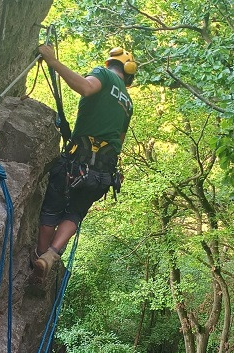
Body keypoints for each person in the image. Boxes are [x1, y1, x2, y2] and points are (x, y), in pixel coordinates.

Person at [31, 44, 136, 282]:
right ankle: (50, 257)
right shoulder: (128, 103)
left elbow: (86, 88)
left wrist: (53, 61)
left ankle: (39, 256)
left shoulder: (104, 74)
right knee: (75, 213)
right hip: (102, 173)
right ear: (129, 74)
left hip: (76, 162)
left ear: (111, 64)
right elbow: (119, 139)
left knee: (51, 210)